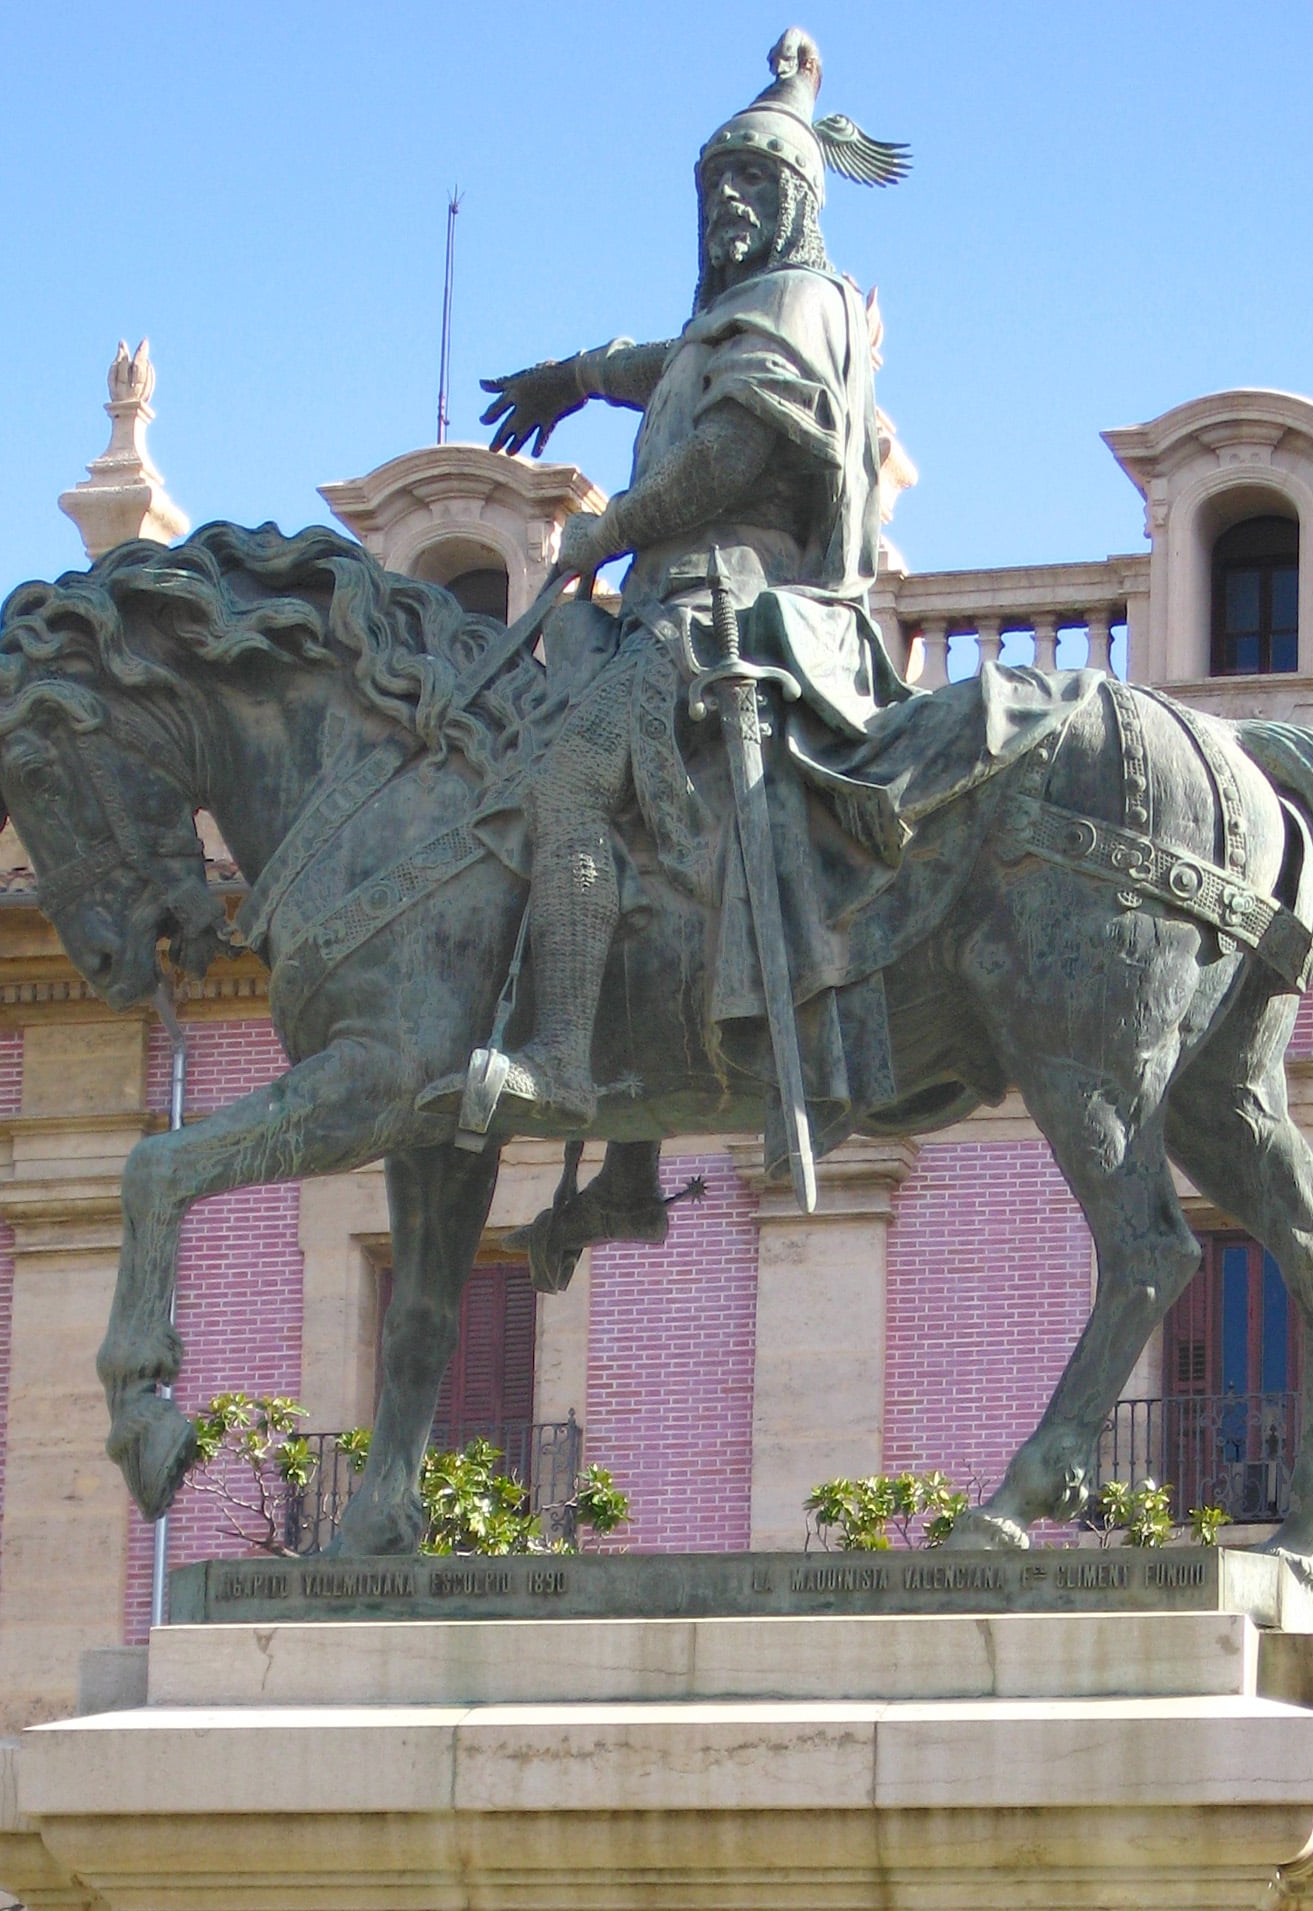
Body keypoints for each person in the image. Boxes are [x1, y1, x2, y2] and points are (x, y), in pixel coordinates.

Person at [420, 31, 913, 1137]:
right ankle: (633, 1154)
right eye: (714, 185)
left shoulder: (797, 300)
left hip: (726, 611)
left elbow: (730, 455)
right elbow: (664, 362)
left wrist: (608, 529)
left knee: (568, 786)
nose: (727, 204)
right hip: (671, 608)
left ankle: (561, 1059)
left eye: (751, 183)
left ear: (796, 200)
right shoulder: (728, 320)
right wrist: (577, 376)